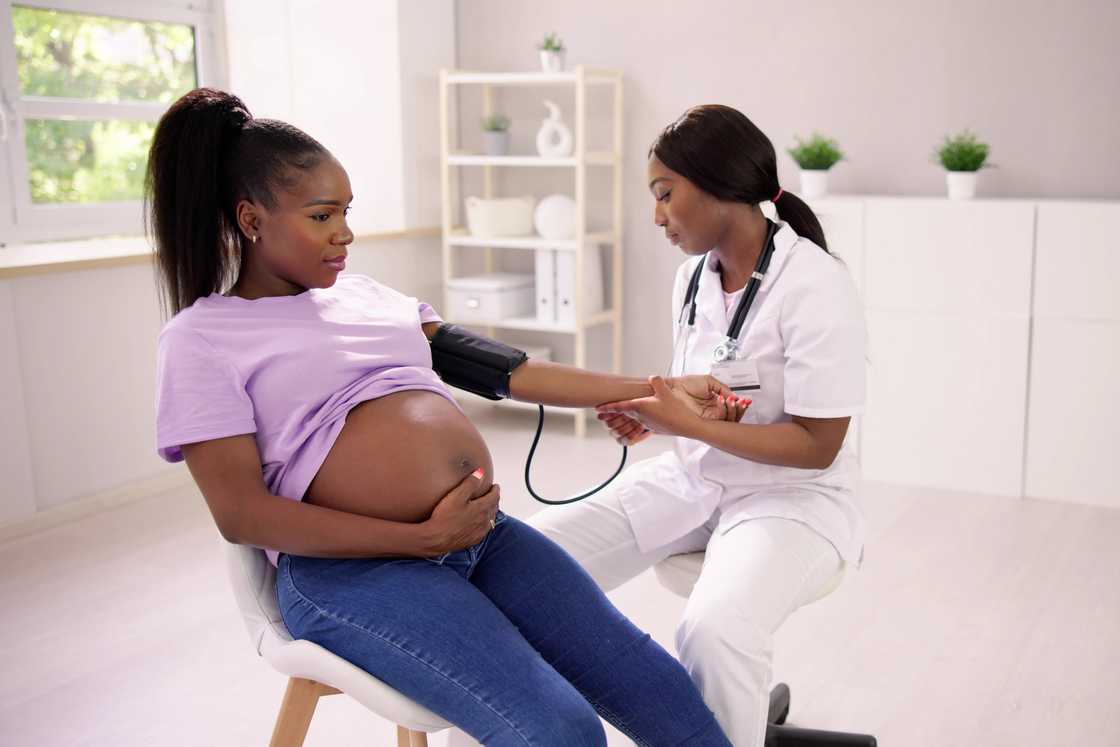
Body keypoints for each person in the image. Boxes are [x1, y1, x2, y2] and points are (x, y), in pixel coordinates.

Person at [150, 88, 745, 746]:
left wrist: (658, 388)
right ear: (251, 219)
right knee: (561, 729)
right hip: (350, 573)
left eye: (346, 211)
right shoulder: (201, 338)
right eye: (322, 215)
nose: (344, 233)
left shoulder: (366, 295)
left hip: (479, 534)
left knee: (662, 691)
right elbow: (243, 514)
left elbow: (511, 370)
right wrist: (420, 539)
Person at [529, 104, 868, 746]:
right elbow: (719, 386)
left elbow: (817, 447)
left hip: (791, 501)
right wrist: (661, 419)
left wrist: (693, 426)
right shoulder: (693, 277)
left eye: (665, 194)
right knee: (528, 567)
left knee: (715, 630)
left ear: (718, 185)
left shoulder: (815, 286)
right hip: (695, 482)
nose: (656, 216)